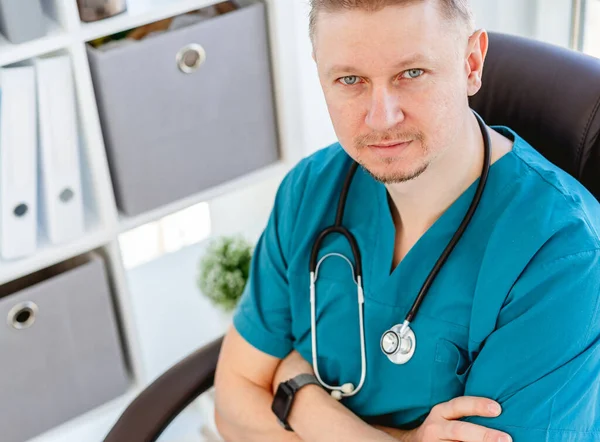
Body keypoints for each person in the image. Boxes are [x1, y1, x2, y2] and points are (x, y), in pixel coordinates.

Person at [213, 0, 600, 441]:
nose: (382, 117)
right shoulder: (310, 191)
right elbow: (232, 405)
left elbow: (254, 410)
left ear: (471, 64)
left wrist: (299, 393)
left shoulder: (563, 254)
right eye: (350, 79)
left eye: (411, 73)